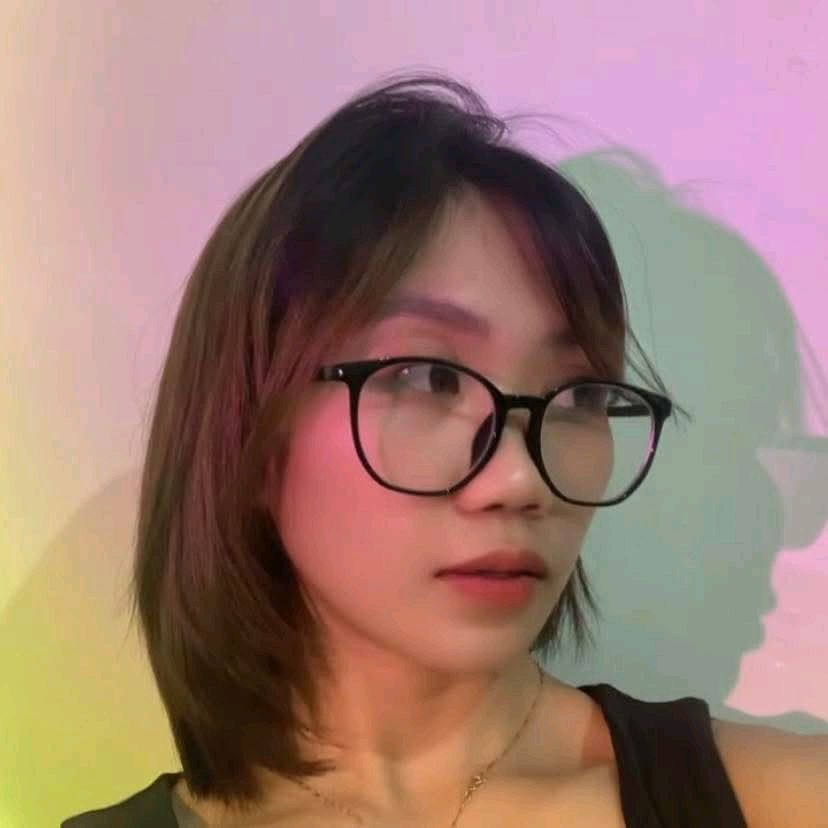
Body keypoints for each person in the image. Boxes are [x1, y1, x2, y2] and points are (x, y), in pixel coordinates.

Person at [62, 71, 826, 828]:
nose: (520, 479)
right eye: (428, 378)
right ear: (253, 436)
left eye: (579, 395)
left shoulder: (777, 799)